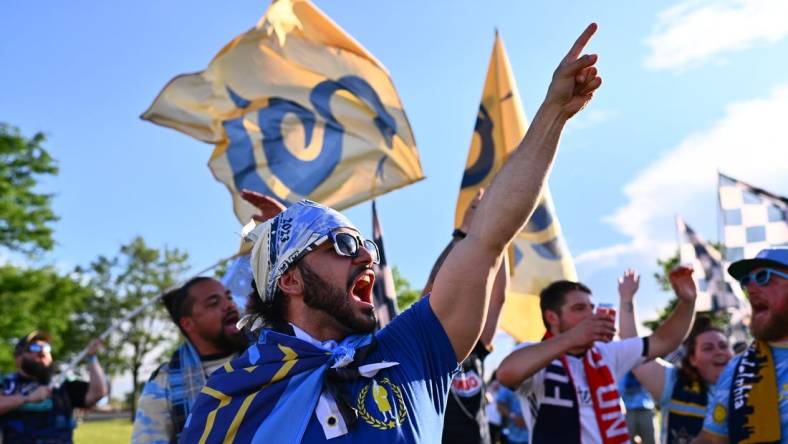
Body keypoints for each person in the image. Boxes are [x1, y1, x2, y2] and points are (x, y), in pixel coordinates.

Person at [181, 23, 604, 443]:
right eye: (343, 245)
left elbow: (487, 239)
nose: (367, 256)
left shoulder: (410, 349)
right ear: (290, 278)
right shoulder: (231, 398)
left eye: (364, 244)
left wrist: (553, 114)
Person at [496, 265, 698, 444]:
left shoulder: (606, 353)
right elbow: (506, 373)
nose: (590, 315)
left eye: (591, 308)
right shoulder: (534, 353)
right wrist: (571, 339)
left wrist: (687, 303)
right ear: (552, 317)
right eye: (579, 308)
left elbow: (664, 341)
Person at [423, 189, 509, 444]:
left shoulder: (476, 349)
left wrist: (501, 238)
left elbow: (497, 299)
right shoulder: (426, 346)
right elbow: (432, 286)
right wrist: (462, 233)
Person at [617, 269, 733, 444]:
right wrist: (626, 299)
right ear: (692, 359)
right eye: (708, 348)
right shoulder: (674, 383)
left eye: (723, 346)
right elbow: (633, 348)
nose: (718, 352)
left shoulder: (749, 384)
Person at [131, 277, 248, 443]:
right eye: (214, 303)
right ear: (188, 324)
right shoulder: (164, 383)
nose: (229, 305)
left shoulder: (270, 358)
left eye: (229, 297)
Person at [692, 247, 788, 444]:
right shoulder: (735, 371)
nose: (750, 289)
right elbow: (711, 440)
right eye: (746, 281)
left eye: (763, 277)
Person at [0, 331, 108, 443]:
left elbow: (97, 393)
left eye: (47, 348)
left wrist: (92, 358)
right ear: (19, 357)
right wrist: (27, 398)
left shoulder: (62, 385)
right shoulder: (7, 384)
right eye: (35, 348)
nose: (42, 352)